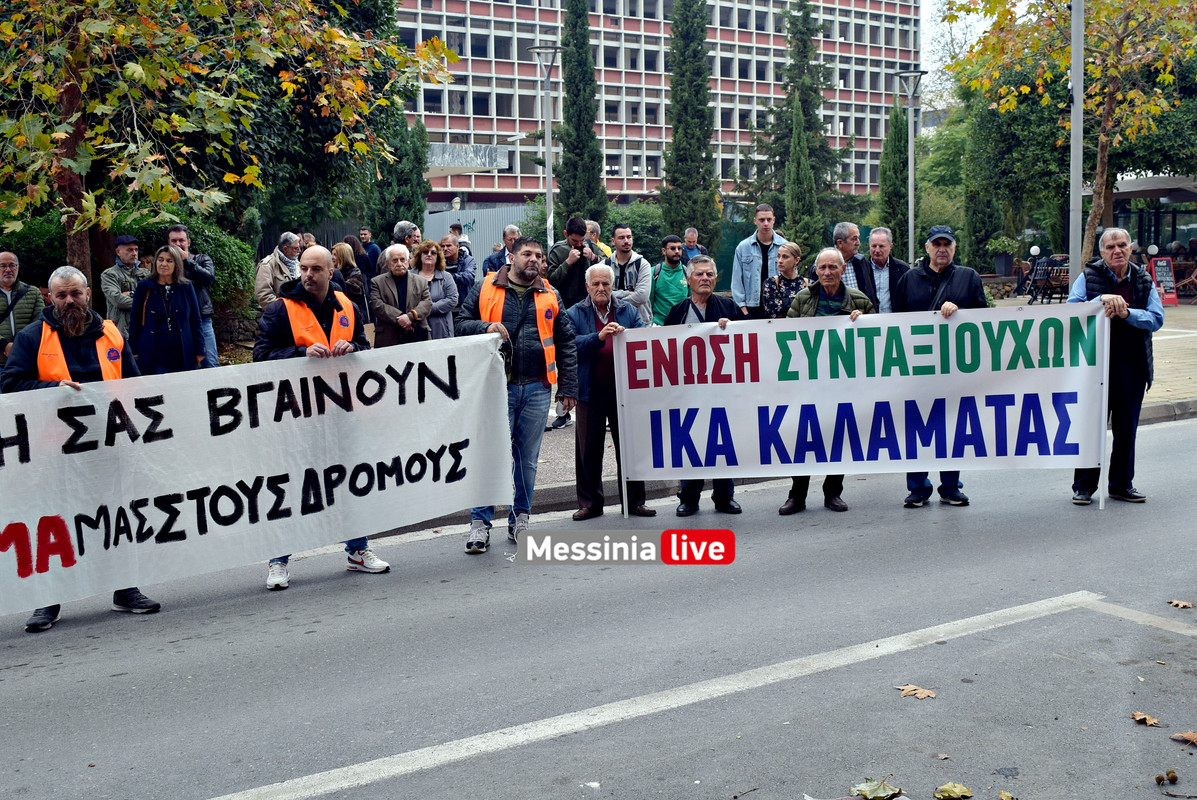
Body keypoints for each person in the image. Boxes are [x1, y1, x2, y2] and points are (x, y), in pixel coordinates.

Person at [1, 266, 160, 631]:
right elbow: (10, 386)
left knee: (114, 518)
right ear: (51, 298)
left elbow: (133, 382)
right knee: (54, 524)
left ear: (88, 293)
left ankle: (125, 589)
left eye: (75, 294)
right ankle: (47, 601)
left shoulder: (111, 332)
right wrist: (53, 390)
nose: (69, 301)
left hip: (108, 445)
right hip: (52, 452)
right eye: (61, 295)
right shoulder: (31, 338)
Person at [253, 245, 389, 589]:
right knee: (289, 486)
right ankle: (278, 560)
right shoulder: (279, 310)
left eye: (316, 269)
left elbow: (363, 348)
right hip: (295, 414)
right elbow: (261, 357)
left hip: (341, 410)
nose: (308, 275)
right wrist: (300, 353)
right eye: (303, 269)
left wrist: (353, 348)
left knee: (350, 482)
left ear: (332, 272)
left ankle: (357, 551)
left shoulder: (349, 307)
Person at [455, 236, 578, 553]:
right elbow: (459, 323)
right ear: (511, 257)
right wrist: (484, 327)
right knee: (488, 456)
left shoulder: (551, 293)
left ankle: (520, 519)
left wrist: (568, 387)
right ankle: (480, 525)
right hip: (494, 388)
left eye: (539, 255)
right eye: (527, 254)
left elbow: (566, 343)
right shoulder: (484, 288)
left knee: (527, 461)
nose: (534, 259)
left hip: (537, 387)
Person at [1067, 227, 1164, 505]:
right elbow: (1072, 309)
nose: (1117, 250)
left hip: (1132, 366)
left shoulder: (1144, 279)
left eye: (1122, 245)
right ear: (1102, 252)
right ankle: (1083, 486)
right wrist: (1101, 301)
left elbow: (1156, 318)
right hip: (1094, 367)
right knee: (1090, 427)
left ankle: (1121, 484)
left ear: (1131, 248)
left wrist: (1127, 312)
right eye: (1110, 247)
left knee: (1126, 430)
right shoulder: (1088, 277)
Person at [893, 225, 988, 508]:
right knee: (916, 427)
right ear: (927, 248)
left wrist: (961, 314)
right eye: (937, 244)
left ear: (955, 248)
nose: (942, 249)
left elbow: (984, 320)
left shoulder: (968, 277)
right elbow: (894, 322)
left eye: (948, 244)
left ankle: (950, 486)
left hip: (954, 368)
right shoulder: (909, 279)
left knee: (952, 426)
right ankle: (918, 487)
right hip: (917, 368)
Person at [778, 248, 875, 515]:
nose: (827, 272)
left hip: (844, 383)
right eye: (822, 268)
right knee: (803, 438)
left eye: (833, 267)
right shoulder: (803, 299)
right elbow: (786, 337)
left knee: (838, 437)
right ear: (816, 271)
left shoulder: (859, 301)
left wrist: (865, 323)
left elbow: (877, 340)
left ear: (843, 270)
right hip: (808, 383)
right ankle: (797, 495)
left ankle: (833, 492)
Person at [567, 264, 655, 520]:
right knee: (588, 450)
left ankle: (634, 502)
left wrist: (628, 335)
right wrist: (598, 337)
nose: (601, 288)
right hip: (589, 389)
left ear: (613, 285)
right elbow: (570, 345)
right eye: (595, 284)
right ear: (587, 287)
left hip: (624, 390)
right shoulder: (575, 312)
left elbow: (642, 339)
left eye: (605, 283)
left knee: (629, 448)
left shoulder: (628, 310)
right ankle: (590, 504)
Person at [665, 255, 746, 516]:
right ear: (688, 280)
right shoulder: (677, 312)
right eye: (699, 274)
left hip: (721, 390)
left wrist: (731, 330)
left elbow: (747, 344)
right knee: (691, 443)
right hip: (688, 392)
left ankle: (724, 497)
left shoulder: (728, 307)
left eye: (710, 274)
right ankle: (689, 497)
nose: (705, 279)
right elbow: (666, 350)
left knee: (722, 443)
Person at [129, 245, 205, 374]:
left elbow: (195, 320)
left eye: (169, 261)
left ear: (177, 264)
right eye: (160, 260)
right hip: (154, 353)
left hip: (182, 351)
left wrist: (199, 349)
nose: (164, 264)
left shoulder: (186, 286)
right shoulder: (144, 287)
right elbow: (135, 320)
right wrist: (134, 349)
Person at [165, 225, 219, 368]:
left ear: (188, 242)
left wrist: (187, 261)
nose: (177, 244)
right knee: (184, 367)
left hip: (202, 320)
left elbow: (208, 279)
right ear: (168, 243)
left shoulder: (201, 259)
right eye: (173, 241)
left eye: (181, 240)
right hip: (177, 323)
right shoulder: (164, 264)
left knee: (211, 363)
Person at [731, 204, 787, 319]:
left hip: (778, 308)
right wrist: (742, 308)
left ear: (774, 220)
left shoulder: (785, 246)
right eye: (762, 220)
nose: (765, 223)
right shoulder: (743, 247)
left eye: (769, 219)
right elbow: (736, 280)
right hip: (751, 308)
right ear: (755, 221)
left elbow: (791, 277)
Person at [370, 244, 431, 347]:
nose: (399, 264)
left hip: (418, 334)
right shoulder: (377, 282)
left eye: (402, 260)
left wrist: (410, 317)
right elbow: (377, 305)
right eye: (395, 260)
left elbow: (427, 303)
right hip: (388, 338)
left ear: (408, 261)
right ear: (388, 264)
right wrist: (402, 319)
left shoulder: (421, 281)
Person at [0, 251, 45, 367]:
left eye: (12, 265)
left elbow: (40, 323)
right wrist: (4, 345)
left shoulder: (33, 292)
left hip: (25, 360)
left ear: (18, 268)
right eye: (3, 265)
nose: (8, 269)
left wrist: (19, 345)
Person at [547, 216, 602, 309]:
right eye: (574, 241)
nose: (579, 244)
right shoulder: (557, 250)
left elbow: (608, 264)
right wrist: (567, 263)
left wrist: (593, 257)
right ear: (566, 234)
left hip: (589, 304)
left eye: (582, 240)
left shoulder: (590, 245)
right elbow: (551, 281)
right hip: (565, 305)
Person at [100, 234, 150, 337]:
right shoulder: (109, 275)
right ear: (118, 252)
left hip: (144, 330)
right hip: (120, 333)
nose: (134, 253)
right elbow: (118, 300)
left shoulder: (146, 274)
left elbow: (156, 297)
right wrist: (144, 300)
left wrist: (130, 294)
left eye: (136, 250)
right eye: (129, 250)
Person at [604, 223, 653, 326]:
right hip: (612, 322)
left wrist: (612, 299)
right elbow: (599, 295)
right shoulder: (604, 266)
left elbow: (641, 297)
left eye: (629, 237)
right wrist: (627, 293)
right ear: (613, 241)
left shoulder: (643, 264)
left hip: (640, 322)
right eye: (621, 238)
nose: (626, 241)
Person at [855, 227, 909, 313]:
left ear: (890, 246)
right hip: (868, 322)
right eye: (873, 246)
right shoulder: (860, 269)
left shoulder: (902, 269)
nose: (877, 250)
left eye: (881, 246)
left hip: (895, 322)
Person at [414, 239, 459, 339]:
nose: (429, 255)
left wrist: (426, 309)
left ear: (438, 257)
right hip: (415, 327)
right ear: (419, 255)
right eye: (425, 252)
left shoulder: (446, 277)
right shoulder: (410, 276)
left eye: (433, 253)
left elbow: (452, 299)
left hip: (441, 329)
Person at [255, 231, 303, 308]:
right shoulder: (267, 265)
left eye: (300, 248)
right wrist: (284, 309)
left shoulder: (298, 264)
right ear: (285, 249)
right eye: (296, 248)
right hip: (279, 316)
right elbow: (263, 295)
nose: (299, 251)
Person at [761, 241, 807, 319]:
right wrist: (797, 304)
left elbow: (809, 311)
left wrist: (783, 303)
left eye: (785, 257)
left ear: (797, 260)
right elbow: (772, 312)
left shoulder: (807, 283)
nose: (780, 261)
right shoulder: (771, 283)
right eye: (778, 256)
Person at [651, 235, 690, 326]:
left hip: (682, 325)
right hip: (659, 325)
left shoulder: (688, 273)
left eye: (679, 248)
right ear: (664, 251)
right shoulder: (654, 272)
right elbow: (648, 302)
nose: (677, 251)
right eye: (673, 248)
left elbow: (693, 300)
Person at [824, 221, 866, 290]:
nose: (858, 243)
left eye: (858, 238)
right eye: (854, 239)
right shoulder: (822, 266)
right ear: (840, 243)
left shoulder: (862, 262)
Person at [343, 234, 375, 323]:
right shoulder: (363, 255)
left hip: (356, 279)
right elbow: (369, 268)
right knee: (364, 302)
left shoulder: (350, 258)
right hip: (363, 278)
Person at [441, 233, 477, 307]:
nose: (445, 249)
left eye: (448, 246)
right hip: (444, 306)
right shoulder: (438, 262)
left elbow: (469, 276)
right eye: (443, 246)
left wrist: (450, 277)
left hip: (464, 305)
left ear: (457, 246)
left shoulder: (468, 260)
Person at [331, 242, 367, 315]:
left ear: (343, 256)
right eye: (331, 254)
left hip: (351, 312)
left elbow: (352, 290)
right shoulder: (331, 271)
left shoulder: (355, 272)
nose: (332, 257)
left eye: (335, 254)